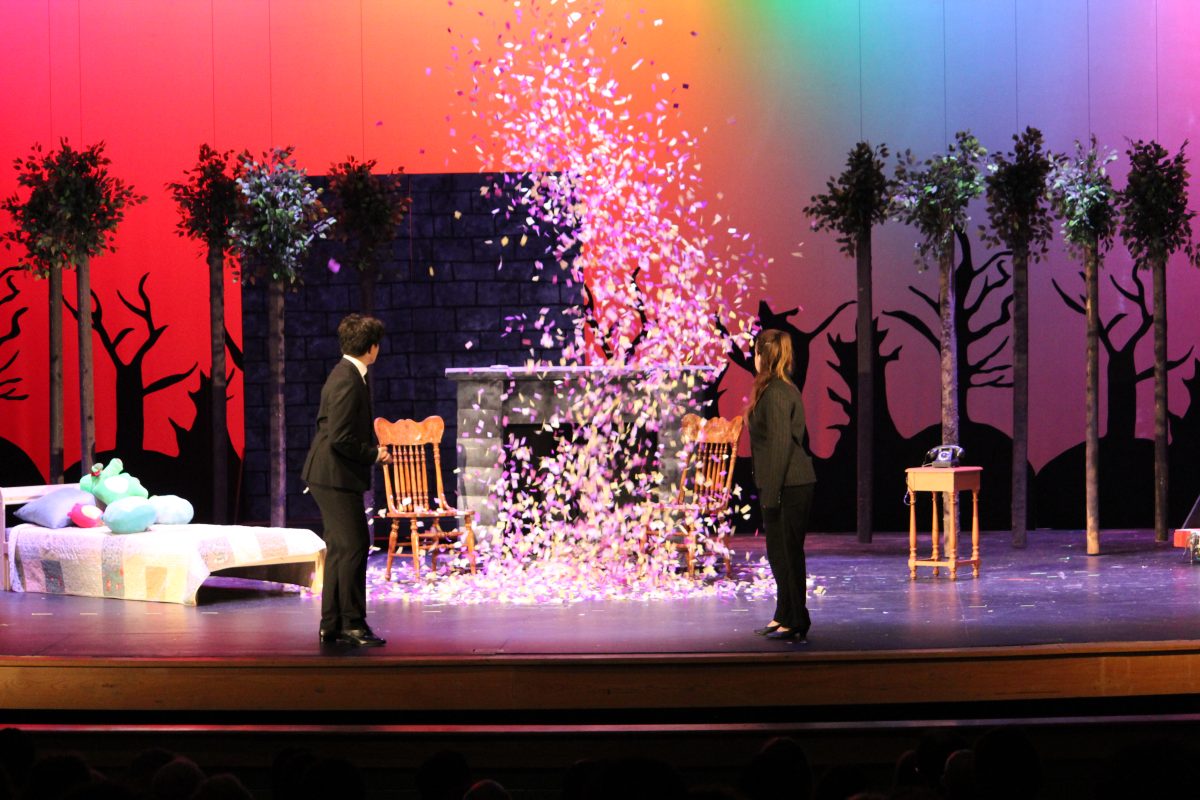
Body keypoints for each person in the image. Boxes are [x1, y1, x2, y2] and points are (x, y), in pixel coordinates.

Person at [302, 313, 389, 647]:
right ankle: (351, 623)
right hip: (333, 474)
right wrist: (373, 454)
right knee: (353, 545)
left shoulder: (348, 374)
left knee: (343, 548)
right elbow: (339, 437)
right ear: (372, 347)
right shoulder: (348, 378)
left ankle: (333, 623)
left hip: (333, 473)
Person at [746, 328, 816, 641]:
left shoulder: (776, 393)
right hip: (785, 483)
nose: (753, 357)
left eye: (755, 351)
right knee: (779, 553)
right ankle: (783, 613)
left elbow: (779, 447)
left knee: (788, 553)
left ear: (764, 355)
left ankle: (796, 618)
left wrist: (771, 494)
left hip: (790, 484)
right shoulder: (776, 388)